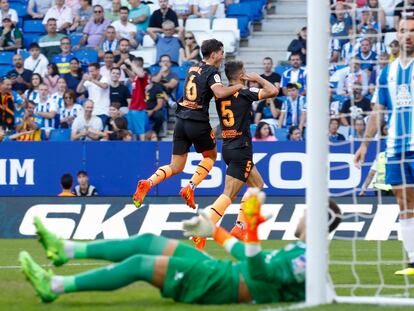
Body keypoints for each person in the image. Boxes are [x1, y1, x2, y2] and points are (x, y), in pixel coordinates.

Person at [19, 189, 342, 305]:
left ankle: (55, 286)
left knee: (140, 264)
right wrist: (213, 230)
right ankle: (66, 250)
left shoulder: (307, 260)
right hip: (227, 272)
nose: (301, 212)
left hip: (222, 285)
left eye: (307, 211)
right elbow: (248, 257)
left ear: (317, 220)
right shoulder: (301, 252)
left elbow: (258, 270)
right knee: (147, 242)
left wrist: (254, 231)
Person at [133, 39, 244, 209]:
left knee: (176, 166)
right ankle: (190, 187)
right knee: (211, 156)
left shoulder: (192, 68)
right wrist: (237, 87)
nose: (223, 56)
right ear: (214, 54)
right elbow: (220, 93)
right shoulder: (212, 72)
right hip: (198, 121)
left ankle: (148, 183)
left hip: (181, 121)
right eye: (221, 53)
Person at [355, 16, 414, 275]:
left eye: (412, 31)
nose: (408, 35)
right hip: (396, 149)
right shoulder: (386, 73)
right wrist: (364, 146)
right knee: (404, 204)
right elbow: (378, 112)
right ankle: (413, 260)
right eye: (403, 31)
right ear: (396, 36)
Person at [202, 62, 278, 248]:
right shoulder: (244, 93)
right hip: (240, 148)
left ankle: (240, 227)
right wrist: (258, 78)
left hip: (228, 146)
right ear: (242, 74)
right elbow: (273, 91)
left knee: (257, 185)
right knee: (229, 194)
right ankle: (204, 228)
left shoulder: (221, 95)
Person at [125, 57, 148, 140]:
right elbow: (133, 76)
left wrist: (130, 63)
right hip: (132, 107)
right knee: (132, 130)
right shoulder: (136, 77)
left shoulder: (144, 74)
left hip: (139, 107)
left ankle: (143, 149)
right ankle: (134, 148)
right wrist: (126, 69)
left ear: (136, 65)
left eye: (133, 64)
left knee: (140, 130)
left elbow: (140, 74)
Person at [145, 73, 166, 139]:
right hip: (142, 110)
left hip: (154, 110)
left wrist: (151, 111)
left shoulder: (158, 88)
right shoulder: (139, 88)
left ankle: (155, 134)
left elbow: (160, 104)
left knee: (159, 116)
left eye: (147, 76)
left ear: (150, 77)